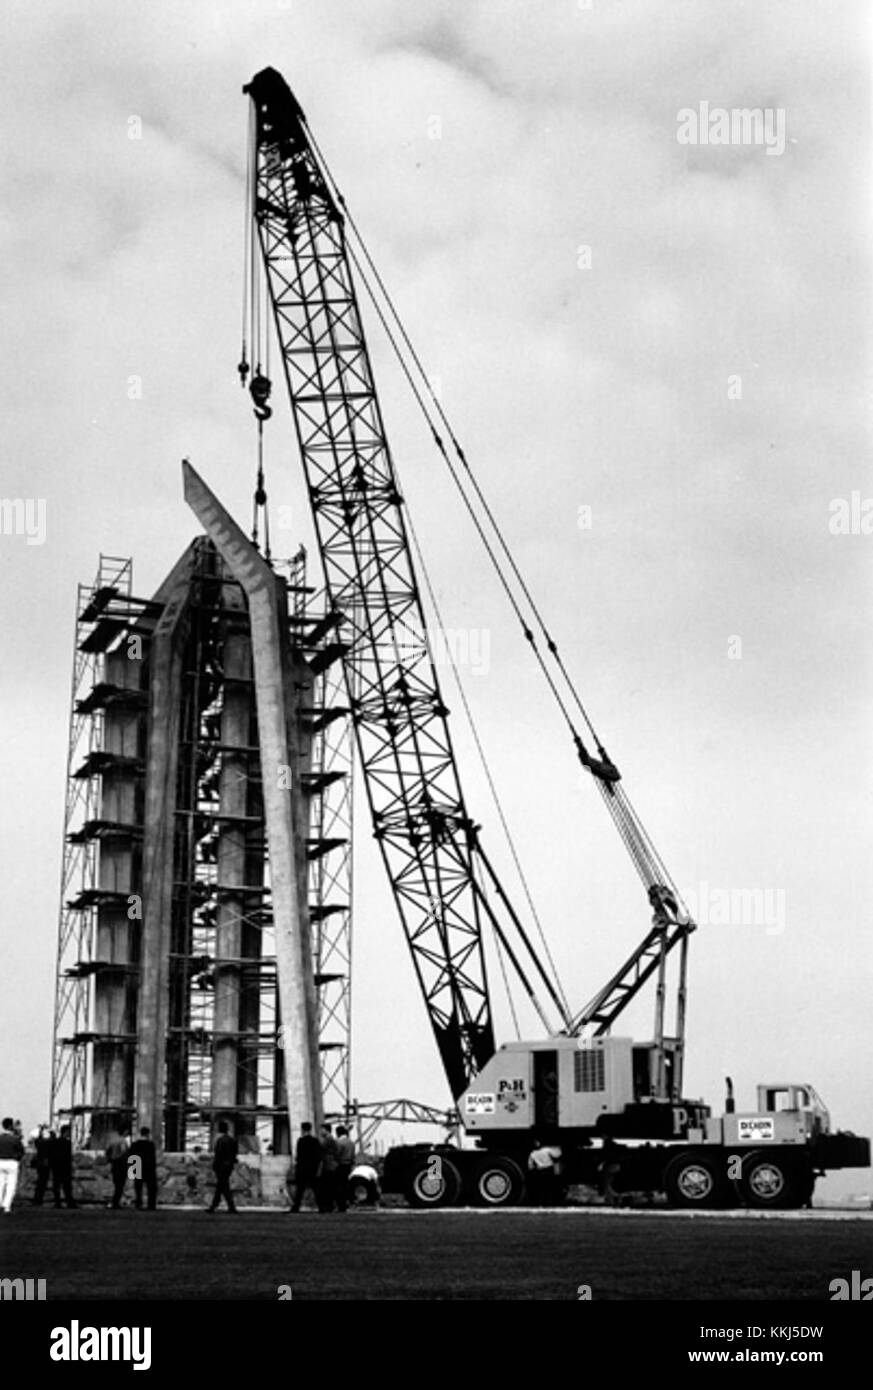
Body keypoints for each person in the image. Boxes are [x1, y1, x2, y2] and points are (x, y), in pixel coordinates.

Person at [287, 1122, 322, 1213]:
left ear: (302, 1130)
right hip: (312, 1168)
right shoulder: (315, 1141)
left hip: (302, 1168)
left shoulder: (301, 1141)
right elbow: (318, 1155)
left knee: (300, 1189)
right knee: (316, 1188)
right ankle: (321, 1207)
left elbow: (298, 1155)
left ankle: (296, 1207)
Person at [208, 1120, 238, 1212]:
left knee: (222, 1186)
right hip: (228, 1166)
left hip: (221, 1166)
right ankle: (216, 1206)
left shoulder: (220, 1141)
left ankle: (227, 1206)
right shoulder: (232, 1140)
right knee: (222, 1186)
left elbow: (218, 1154)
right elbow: (234, 1153)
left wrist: (215, 1165)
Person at [129, 1126, 158, 1210]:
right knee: (151, 1188)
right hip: (149, 1168)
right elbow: (153, 1158)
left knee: (138, 1188)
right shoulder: (150, 1145)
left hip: (137, 1166)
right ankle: (151, 1205)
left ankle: (138, 1203)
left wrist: (131, 1171)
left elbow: (131, 1157)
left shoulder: (135, 1144)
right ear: (148, 1134)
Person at [527, 1137, 562, 1206]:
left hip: (540, 1171)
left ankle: (542, 1203)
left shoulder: (532, 1154)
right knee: (550, 1188)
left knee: (542, 1188)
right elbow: (558, 1155)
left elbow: (530, 1166)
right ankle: (551, 1202)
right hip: (549, 1170)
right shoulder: (547, 1150)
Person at [0, 1116, 24, 1214]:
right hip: (12, 1162)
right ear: (10, 1126)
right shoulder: (15, 1139)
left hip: (0, 1161)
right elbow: (21, 1151)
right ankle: (7, 1206)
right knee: (11, 1185)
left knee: (0, 1184)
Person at [49, 1125, 76, 1208]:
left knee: (56, 1185)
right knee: (67, 1186)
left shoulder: (55, 1142)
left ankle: (58, 1202)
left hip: (56, 1166)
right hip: (65, 1166)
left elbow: (52, 1155)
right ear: (65, 1132)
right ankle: (69, 1202)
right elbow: (68, 1156)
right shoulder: (68, 1143)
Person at [105, 1128, 130, 1209]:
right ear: (125, 1132)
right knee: (120, 1185)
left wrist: (111, 1159)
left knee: (116, 1184)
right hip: (121, 1164)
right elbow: (123, 1151)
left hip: (114, 1164)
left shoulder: (112, 1141)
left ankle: (115, 1202)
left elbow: (107, 1152)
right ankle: (115, 1202)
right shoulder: (123, 1141)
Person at [317, 1123, 339, 1212]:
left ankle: (328, 1206)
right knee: (329, 1186)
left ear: (326, 1130)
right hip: (330, 1165)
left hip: (328, 1166)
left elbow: (321, 1149)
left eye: (322, 1130)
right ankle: (330, 1205)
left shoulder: (328, 1140)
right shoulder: (331, 1139)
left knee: (326, 1186)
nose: (321, 1132)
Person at [334, 1125, 356, 1213]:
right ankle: (346, 1204)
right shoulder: (351, 1143)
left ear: (338, 1133)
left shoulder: (339, 1143)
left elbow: (337, 1154)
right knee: (345, 1185)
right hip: (348, 1165)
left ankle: (340, 1205)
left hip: (340, 1165)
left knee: (338, 1186)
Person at [31, 1125, 52, 1206]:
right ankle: (38, 1199)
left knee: (40, 1182)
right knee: (42, 1182)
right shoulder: (46, 1143)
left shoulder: (39, 1142)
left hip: (40, 1163)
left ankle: (37, 1199)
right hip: (45, 1163)